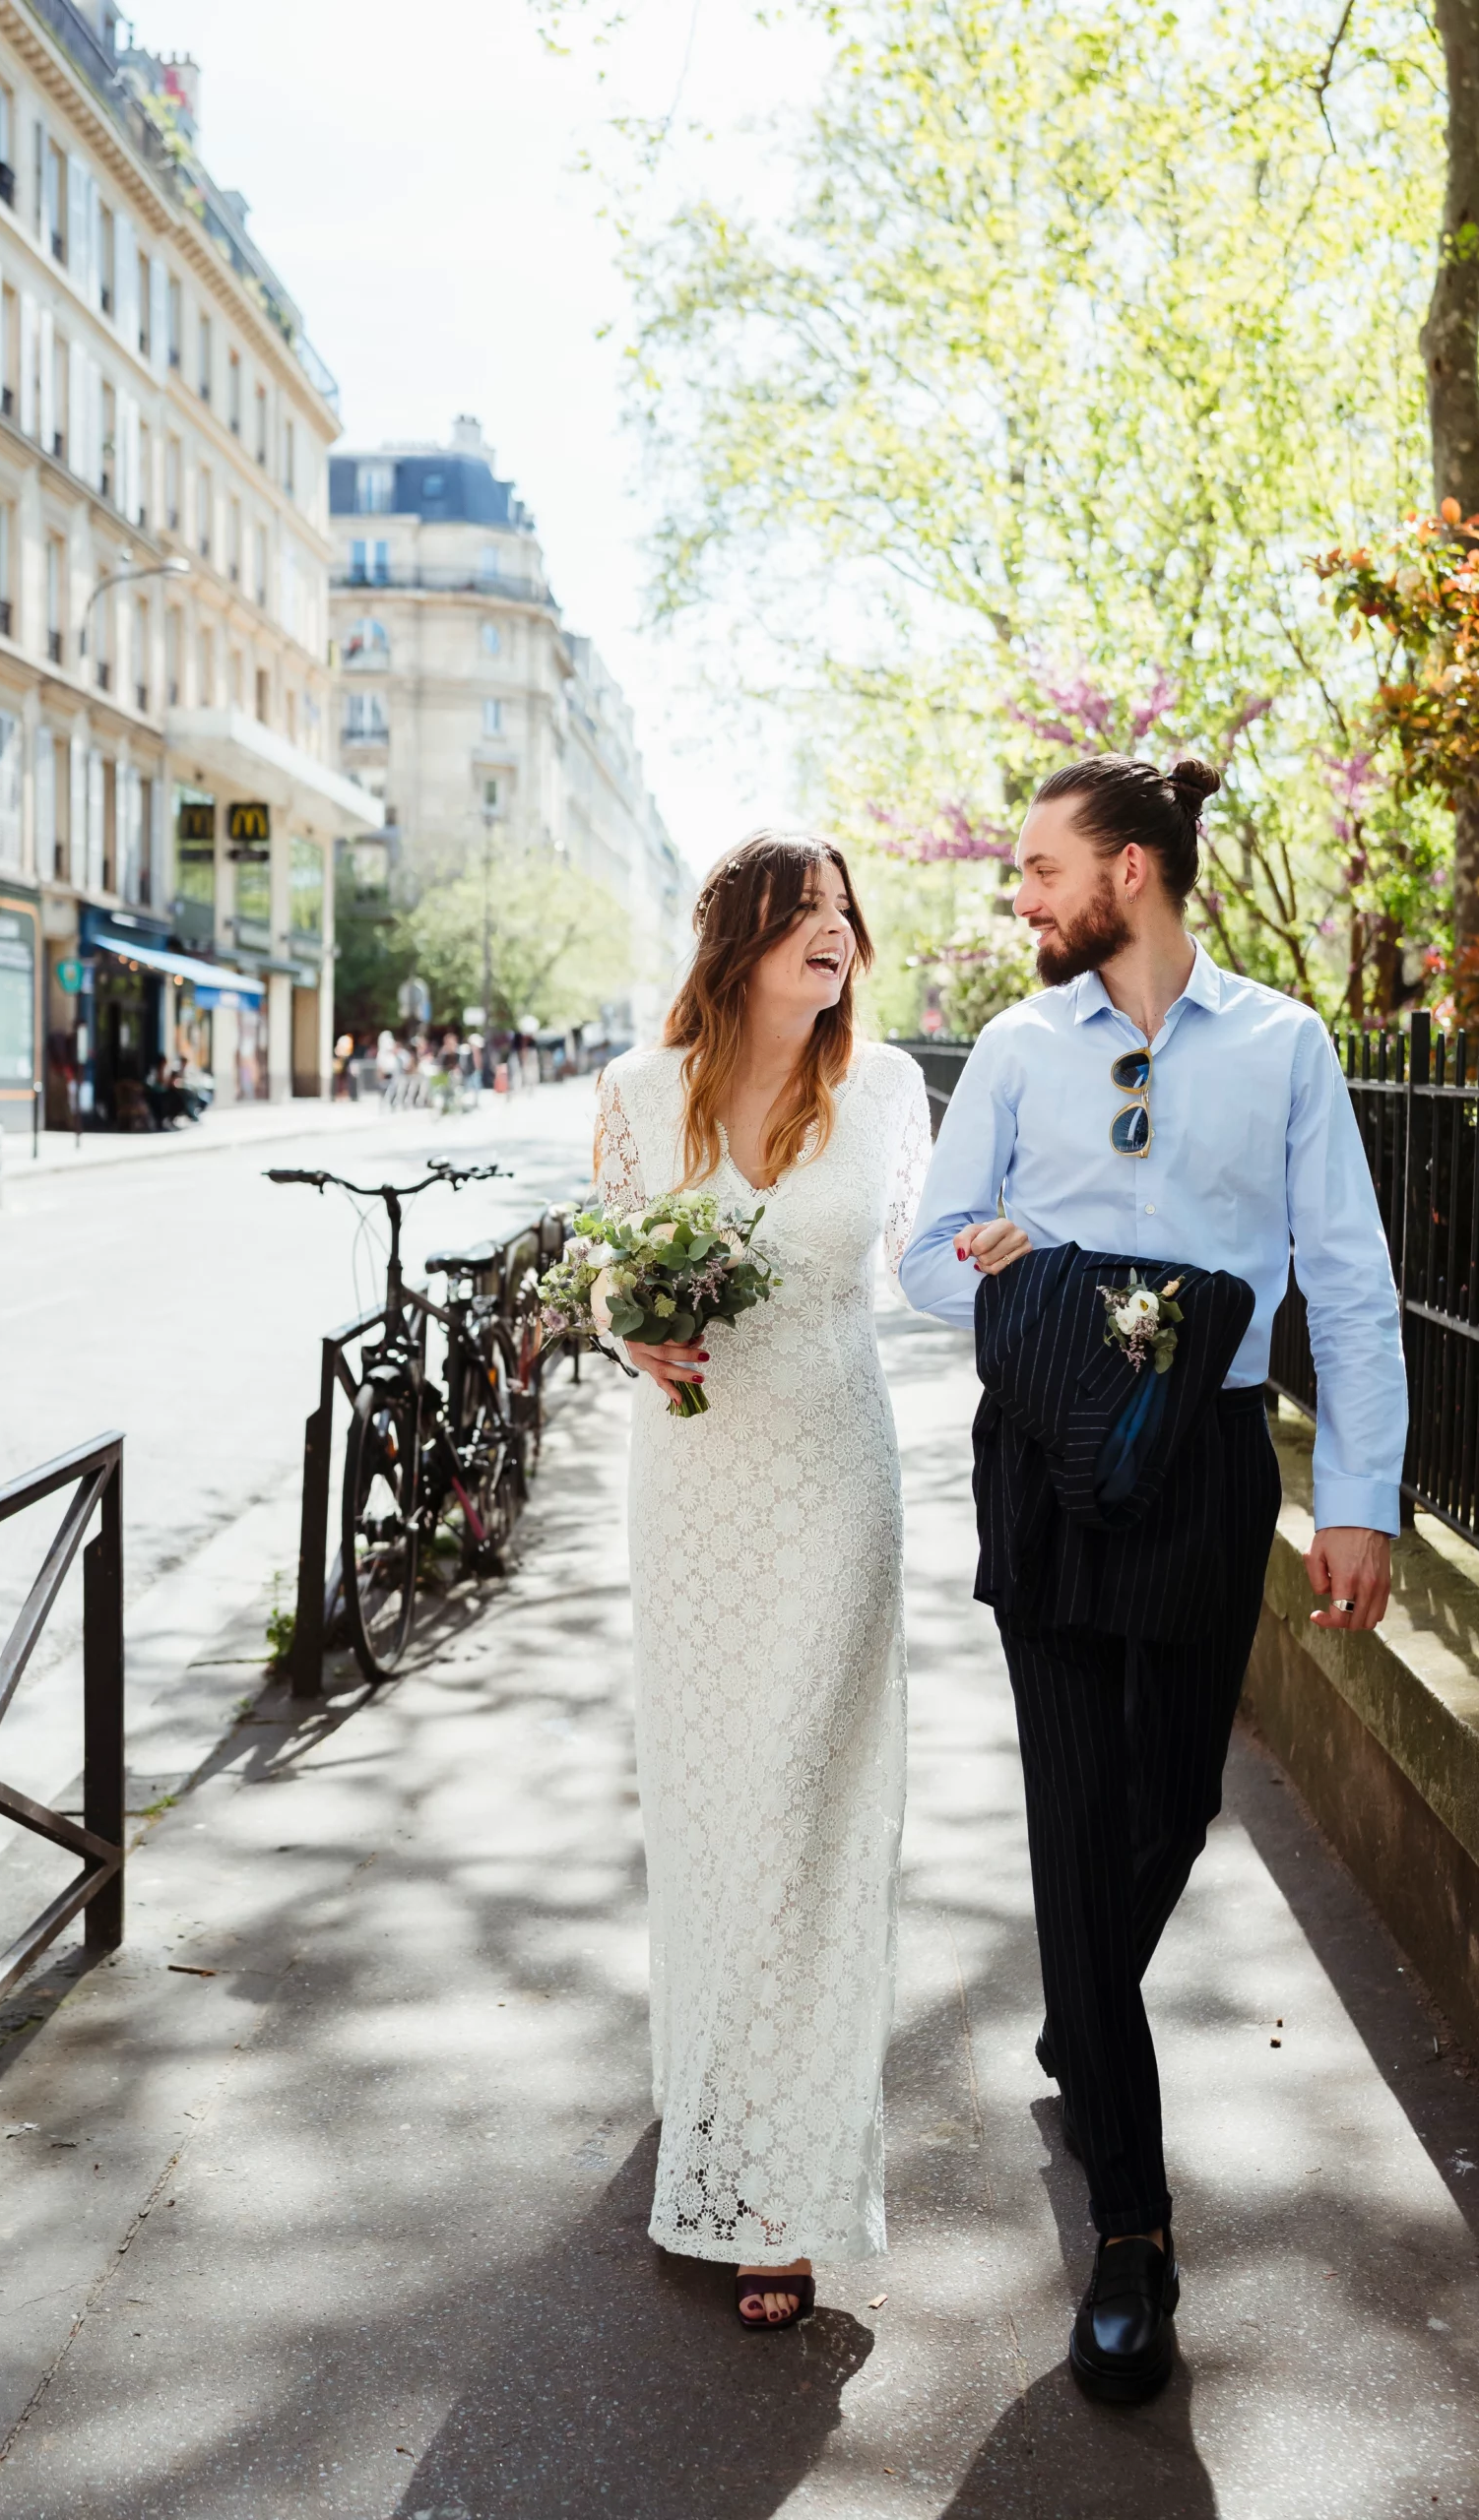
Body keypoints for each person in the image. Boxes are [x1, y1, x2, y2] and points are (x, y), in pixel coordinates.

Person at [900, 754, 1406, 2404]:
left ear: (1129, 869)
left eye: (1040, 869)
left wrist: (1359, 1501)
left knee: (1172, 1803)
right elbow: (924, 1254)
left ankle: (1080, 2010)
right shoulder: (1014, 1045)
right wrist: (1014, 1265)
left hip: (1204, 1465)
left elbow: (1346, 1278)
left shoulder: (1281, 1043)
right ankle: (1131, 2232)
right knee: (1070, 1824)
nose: (1020, 898)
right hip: (1045, 1459)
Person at [595, 831, 932, 2332]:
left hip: (835, 1488)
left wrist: (1029, 1251)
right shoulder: (636, 1091)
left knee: (804, 1806)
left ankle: (775, 2188)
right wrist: (626, 1330)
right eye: (802, 912)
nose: (832, 933)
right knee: (711, 1800)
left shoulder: (889, 1091)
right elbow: (602, 1268)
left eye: (843, 911)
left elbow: (930, 1263)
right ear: (736, 940)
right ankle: (710, 2081)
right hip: (693, 1494)